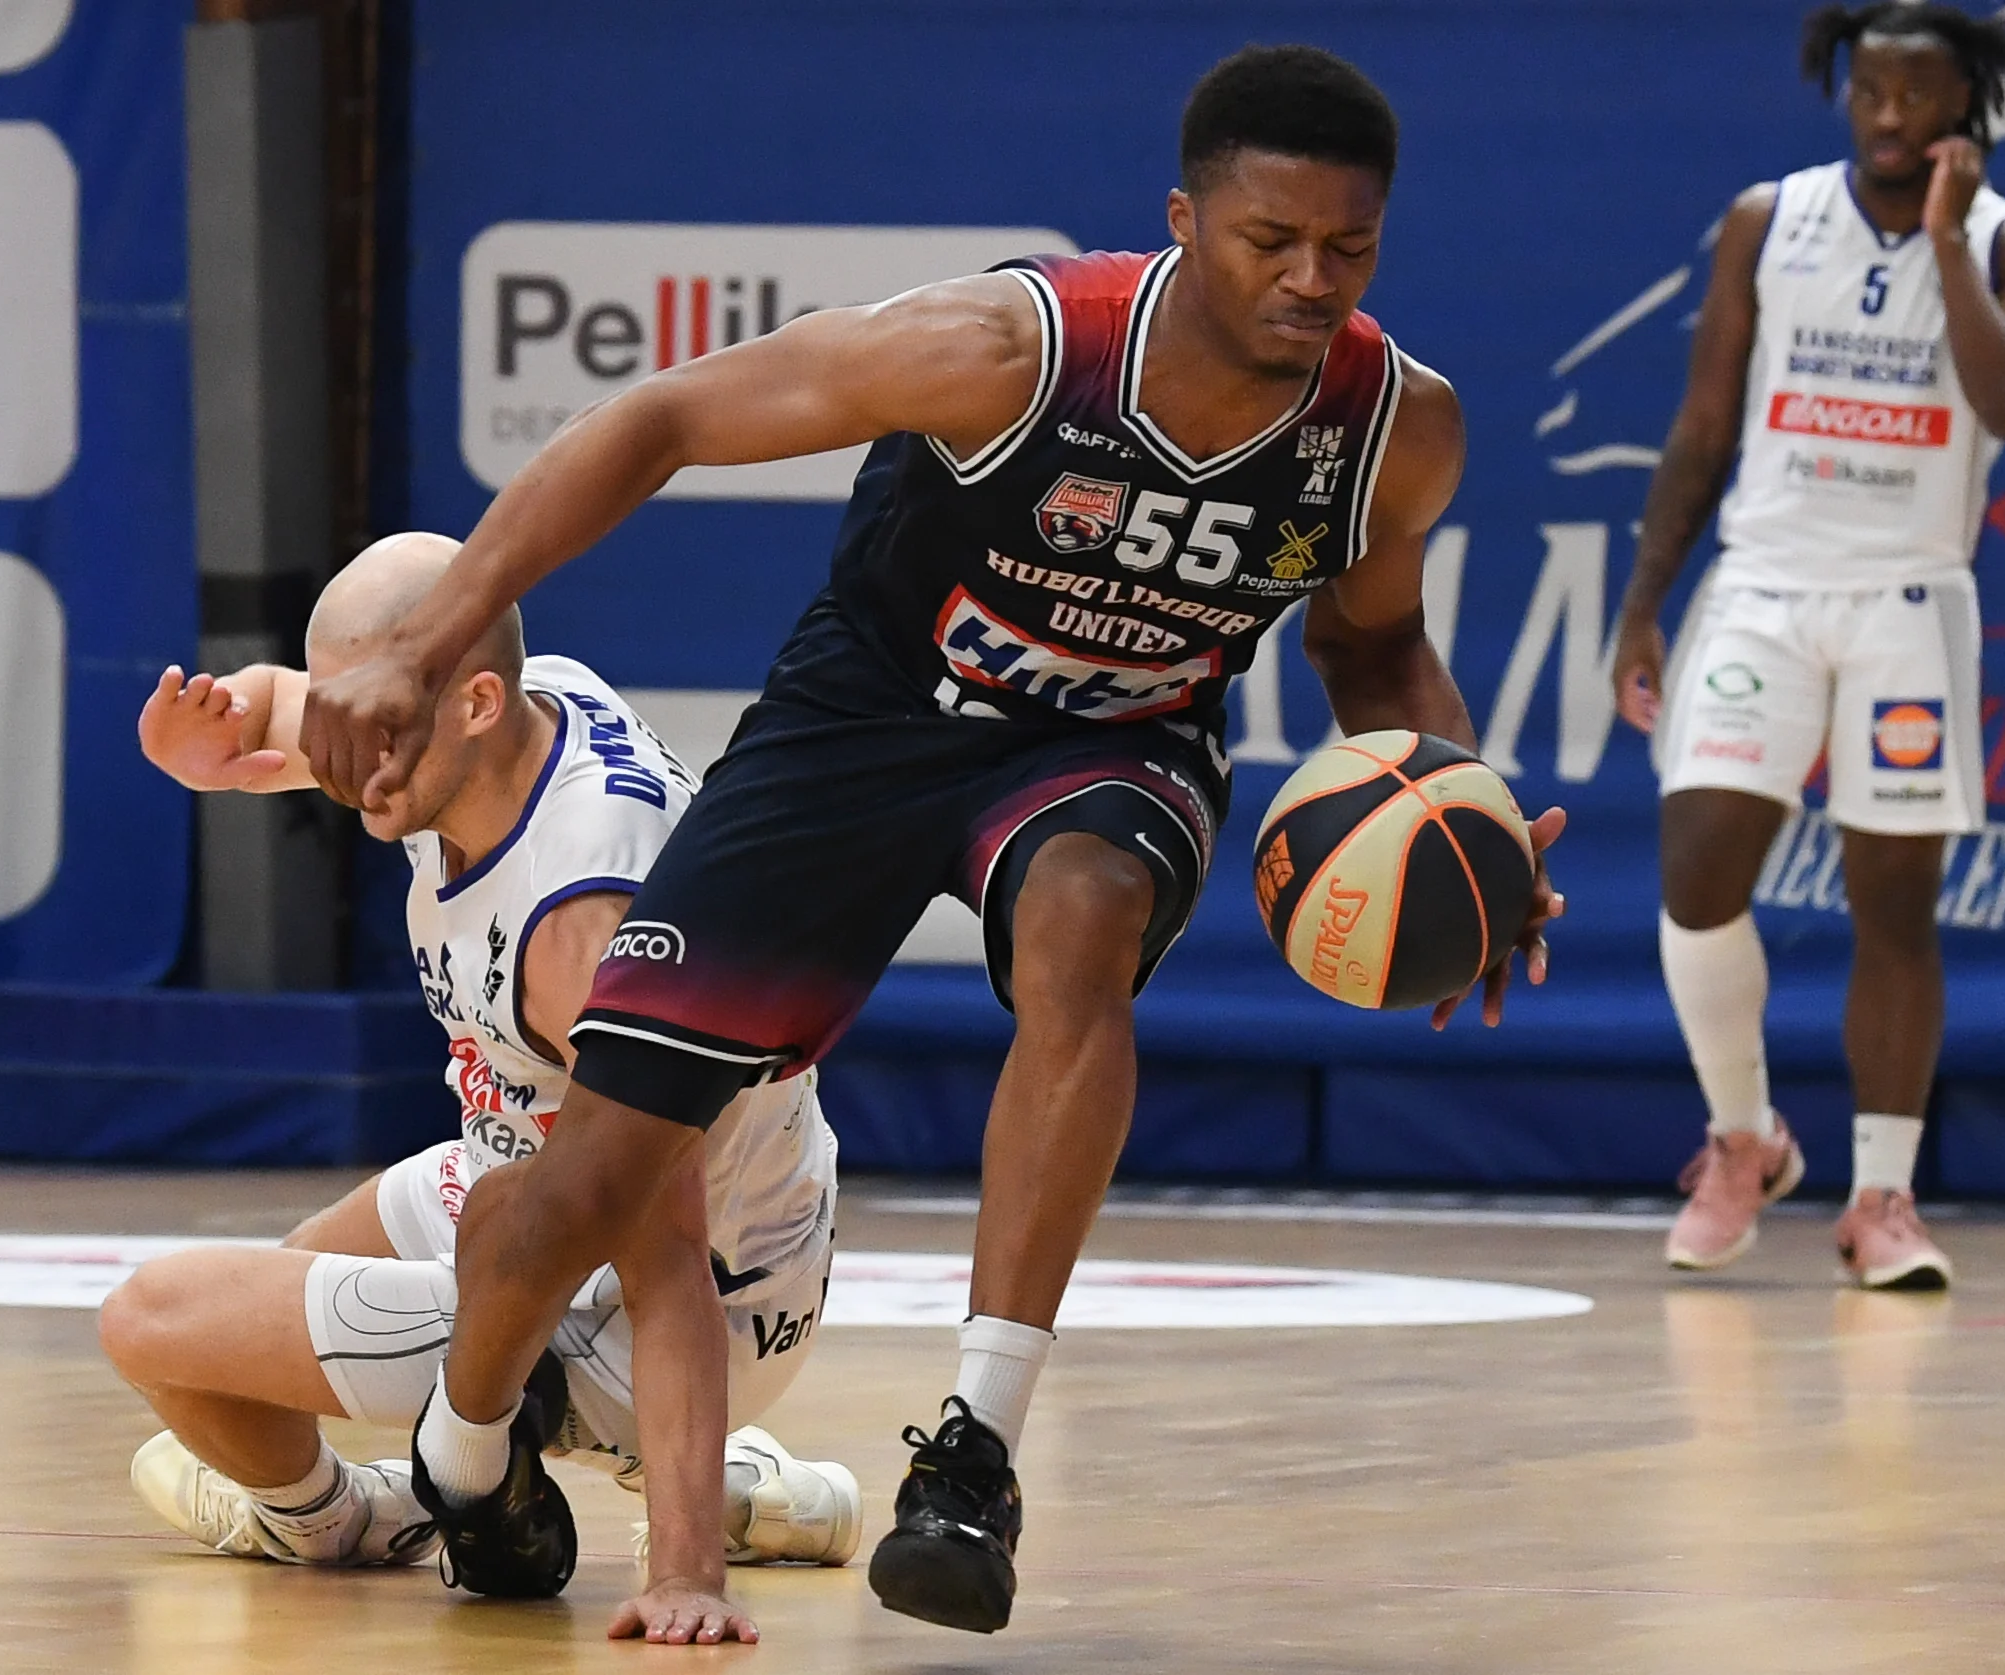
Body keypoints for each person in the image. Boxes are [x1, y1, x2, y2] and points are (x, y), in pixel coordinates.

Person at [298, 46, 1562, 1641]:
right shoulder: (1011, 349)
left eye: (1350, 248)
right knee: (582, 1187)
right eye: (1270, 243)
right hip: (869, 719)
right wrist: (426, 637)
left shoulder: (1394, 428)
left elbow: (1371, 654)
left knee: (1084, 928)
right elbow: (664, 415)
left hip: (1112, 747)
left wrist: (1465, 813)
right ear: (1184, 221)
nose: (1312, 280)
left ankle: (973, 1447)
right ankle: (470, 1452)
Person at [98, 533, 859, 1612]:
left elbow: (668, 1257)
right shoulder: (507, 703)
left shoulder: (580, 936)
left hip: (693, 1290)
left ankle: (352, 1518)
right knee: (247, 1342)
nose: (343, 760)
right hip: (549, 1174)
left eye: (369, 729)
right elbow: (294, 706)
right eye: (337, 721)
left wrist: (684, 1575)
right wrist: (218, 737)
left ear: (472, 704)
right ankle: (716, 1478)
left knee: (156, 1322)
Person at [1612, 3, 2005, 1290]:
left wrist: (1955, 248)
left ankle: (1882, 1198)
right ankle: (1742, 1141)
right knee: (1696, 870)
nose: (1891, 119)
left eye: (1918, 97)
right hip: (1763, 587)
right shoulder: (1767, 217)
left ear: (1966, 109)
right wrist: (1644, 600)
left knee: (1891, 902)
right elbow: (1700, 423)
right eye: (1870, 94)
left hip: (1906, 598)